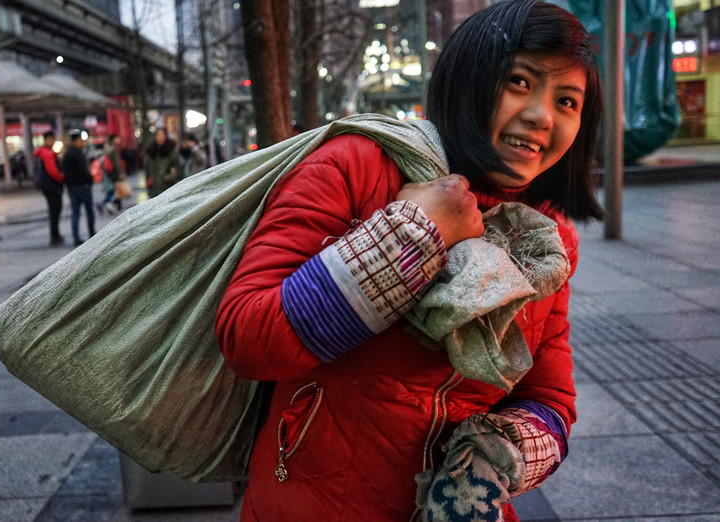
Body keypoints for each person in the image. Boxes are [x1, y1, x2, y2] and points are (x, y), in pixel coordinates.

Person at [214, 1, 603, 520]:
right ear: (470, 78)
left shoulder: (547, 241)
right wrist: (414, 234)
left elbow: (549, 397)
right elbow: (248, 336)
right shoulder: (355, 166)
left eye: (567, 101)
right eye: (519, 81)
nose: (541, 116)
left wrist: (495, 458)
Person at [61, 131, 95, 247]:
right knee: (89, 211)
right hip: (82, 186)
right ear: (75, 142)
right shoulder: (78, 155)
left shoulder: (66, 155)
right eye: (81, 141)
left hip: (71, 187)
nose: (83, 143)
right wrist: (90, 179)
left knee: (75, 212)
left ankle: (76, 236)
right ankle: (92, 234)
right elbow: (83, 171)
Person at [33, 131, 65, 246]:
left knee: (53, 211)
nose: (52, 142)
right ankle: (55, 236)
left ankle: (55, 235)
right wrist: (62, 178)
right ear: (47, 139)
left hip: (45, 186)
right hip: (52, 186)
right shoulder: (47, 153)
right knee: (55, 211)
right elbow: (53, 172)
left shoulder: (40, 153)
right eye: (51, 139)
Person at [145, 128, 179, 198]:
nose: (160, 137)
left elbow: (177, 166)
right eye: (158, 135)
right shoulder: (151, 150)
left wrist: (169, 177)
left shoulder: (171, 150)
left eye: (162, 134)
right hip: (154, 186)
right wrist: (148, 179)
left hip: (167, 186)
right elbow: (147, 168)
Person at [97, 134, 126, 215]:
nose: (119, 140)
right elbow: (116, 162)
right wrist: (120, 172)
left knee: (114, 190)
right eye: (117, 138)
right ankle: (104, 204)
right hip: (113, 173)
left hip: (109, 172)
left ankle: (113, 205)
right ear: (113, 140)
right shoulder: (113, 148)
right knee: (113, 190)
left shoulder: (108, 148)